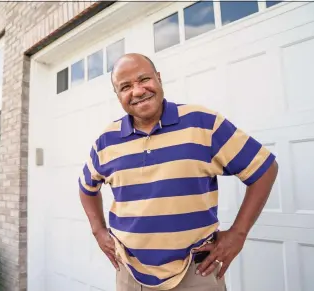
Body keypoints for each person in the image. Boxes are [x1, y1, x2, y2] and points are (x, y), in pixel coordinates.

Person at [78, 53, 278, 291]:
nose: (138, 90)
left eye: (144, 79)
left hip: (196, 274)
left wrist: (239, 233)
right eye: (126, 86)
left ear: (159, 78)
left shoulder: (203, 123)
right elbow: (86, 187)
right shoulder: (106, 141)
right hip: (129, 275)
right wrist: (98, 230)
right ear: (118, 95)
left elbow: (264, 168)